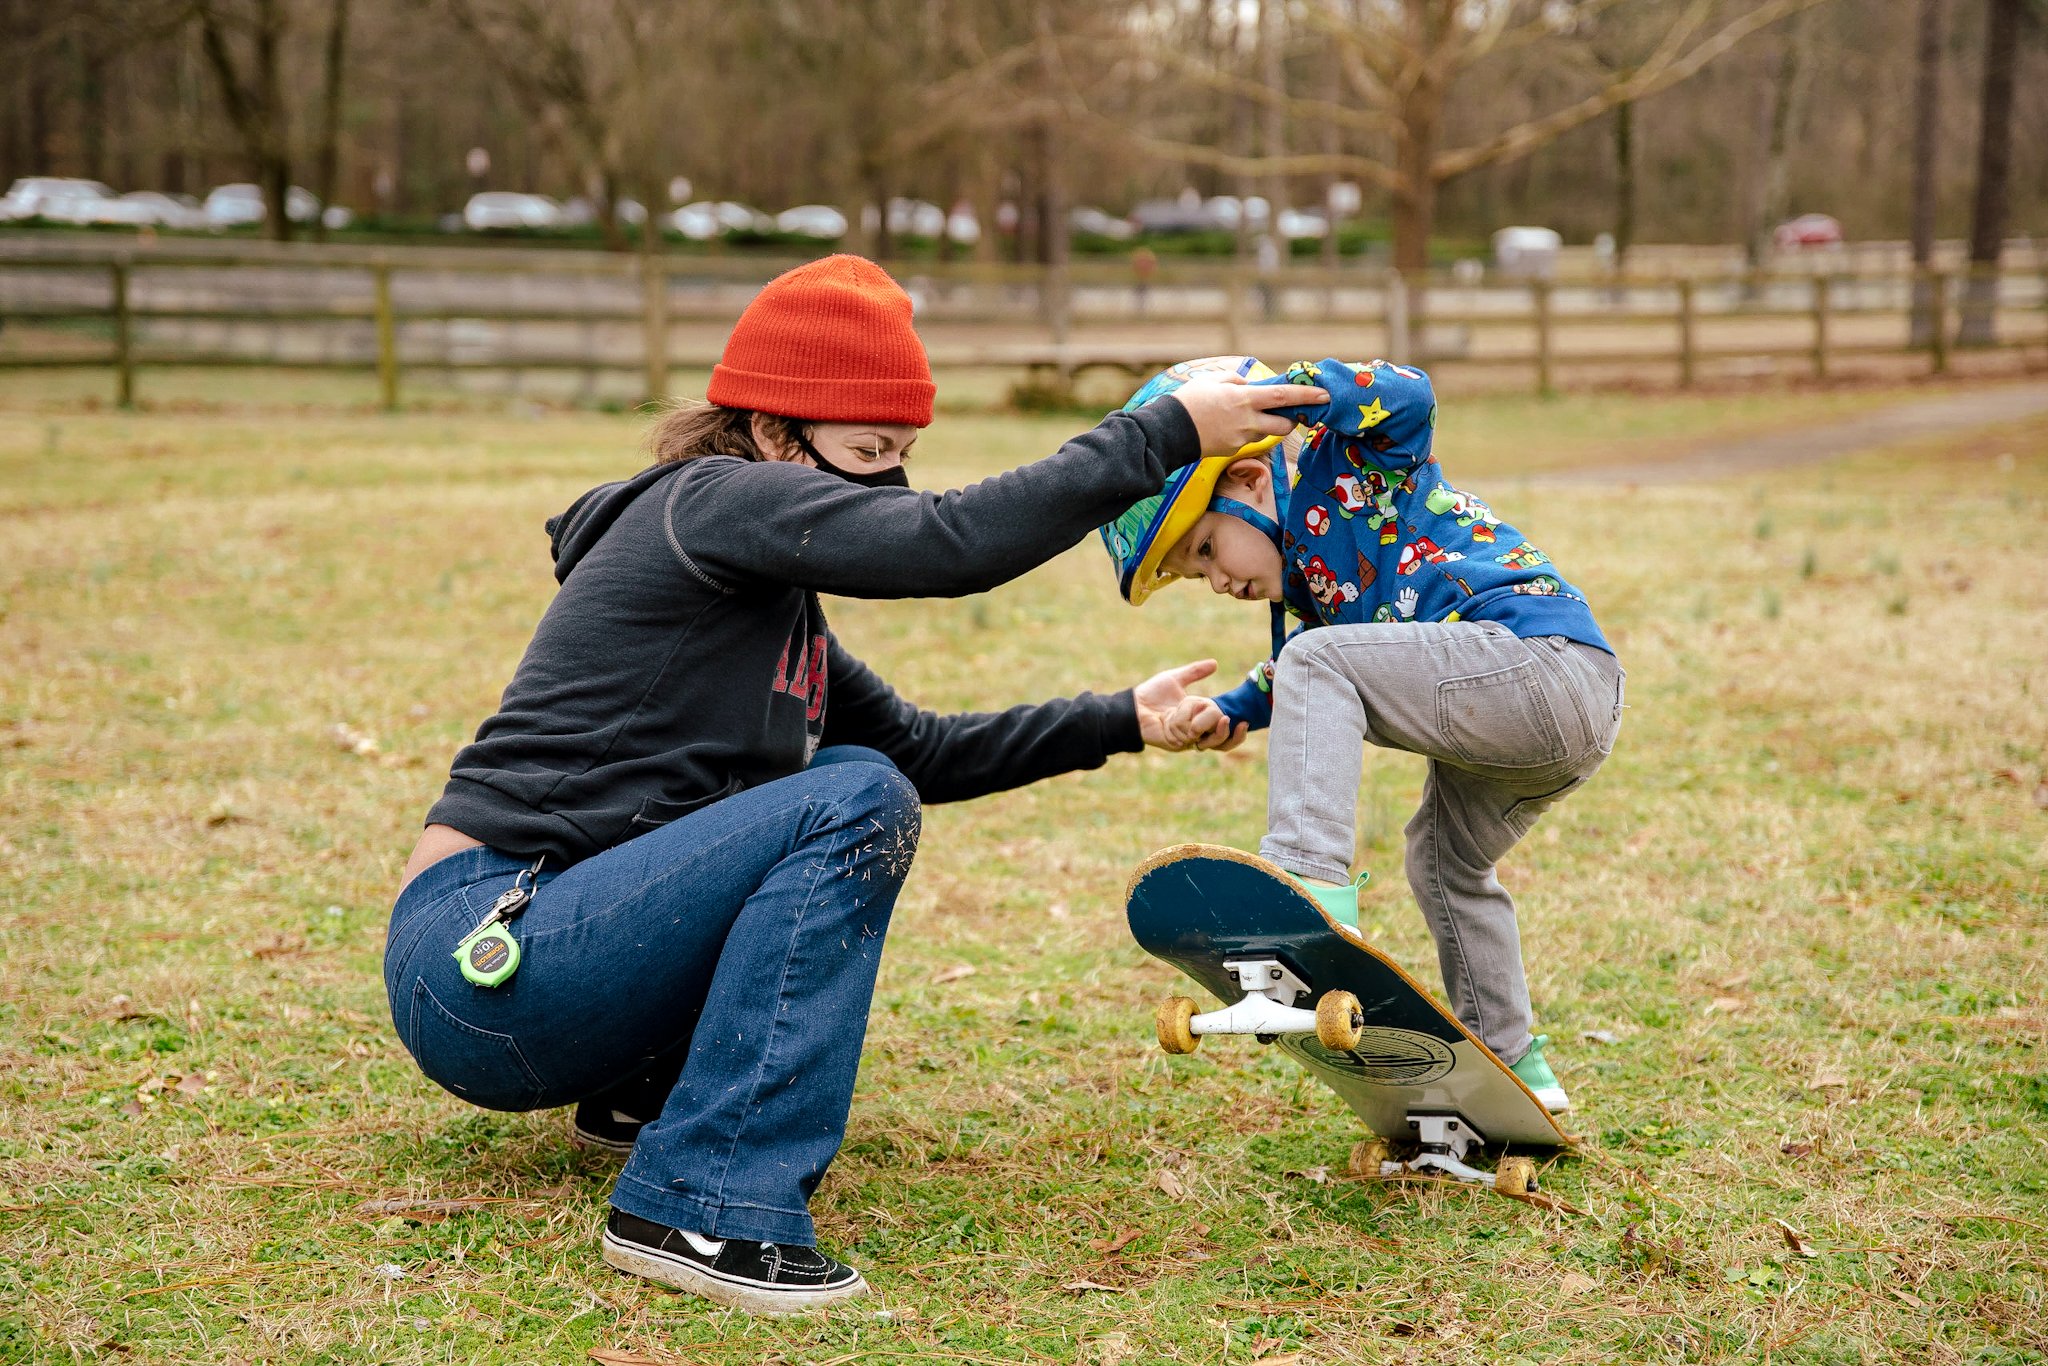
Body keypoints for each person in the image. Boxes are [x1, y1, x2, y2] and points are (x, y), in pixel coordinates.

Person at [384, 257, 1325, 1314]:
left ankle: (645, 1095)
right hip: (482, 959)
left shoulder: (768, 607)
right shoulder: (706, 503)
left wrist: (1118, 720)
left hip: (555, 965)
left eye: (905, 457)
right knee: (851, 796)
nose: (887, 488)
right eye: (868, 453)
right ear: (778, 437)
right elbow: (947, 541)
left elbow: (920, 750)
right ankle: (703, 1198)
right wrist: (1159, 437)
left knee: (856, 774)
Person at [1098, 356, 1623, 1113]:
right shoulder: (1315, 601)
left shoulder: (1349, 465)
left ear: (1248, 480)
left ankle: (1303, 884)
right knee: (1444, 865)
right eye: (1194, 573)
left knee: (1318, 659)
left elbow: (1411, 399)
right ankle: (1515, 1067)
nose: (1215, 580)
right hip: (1553, 719)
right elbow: (1307, 670)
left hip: (1540, 666)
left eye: (1207, 548)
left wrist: (1301, 393)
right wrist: (1235, 710)